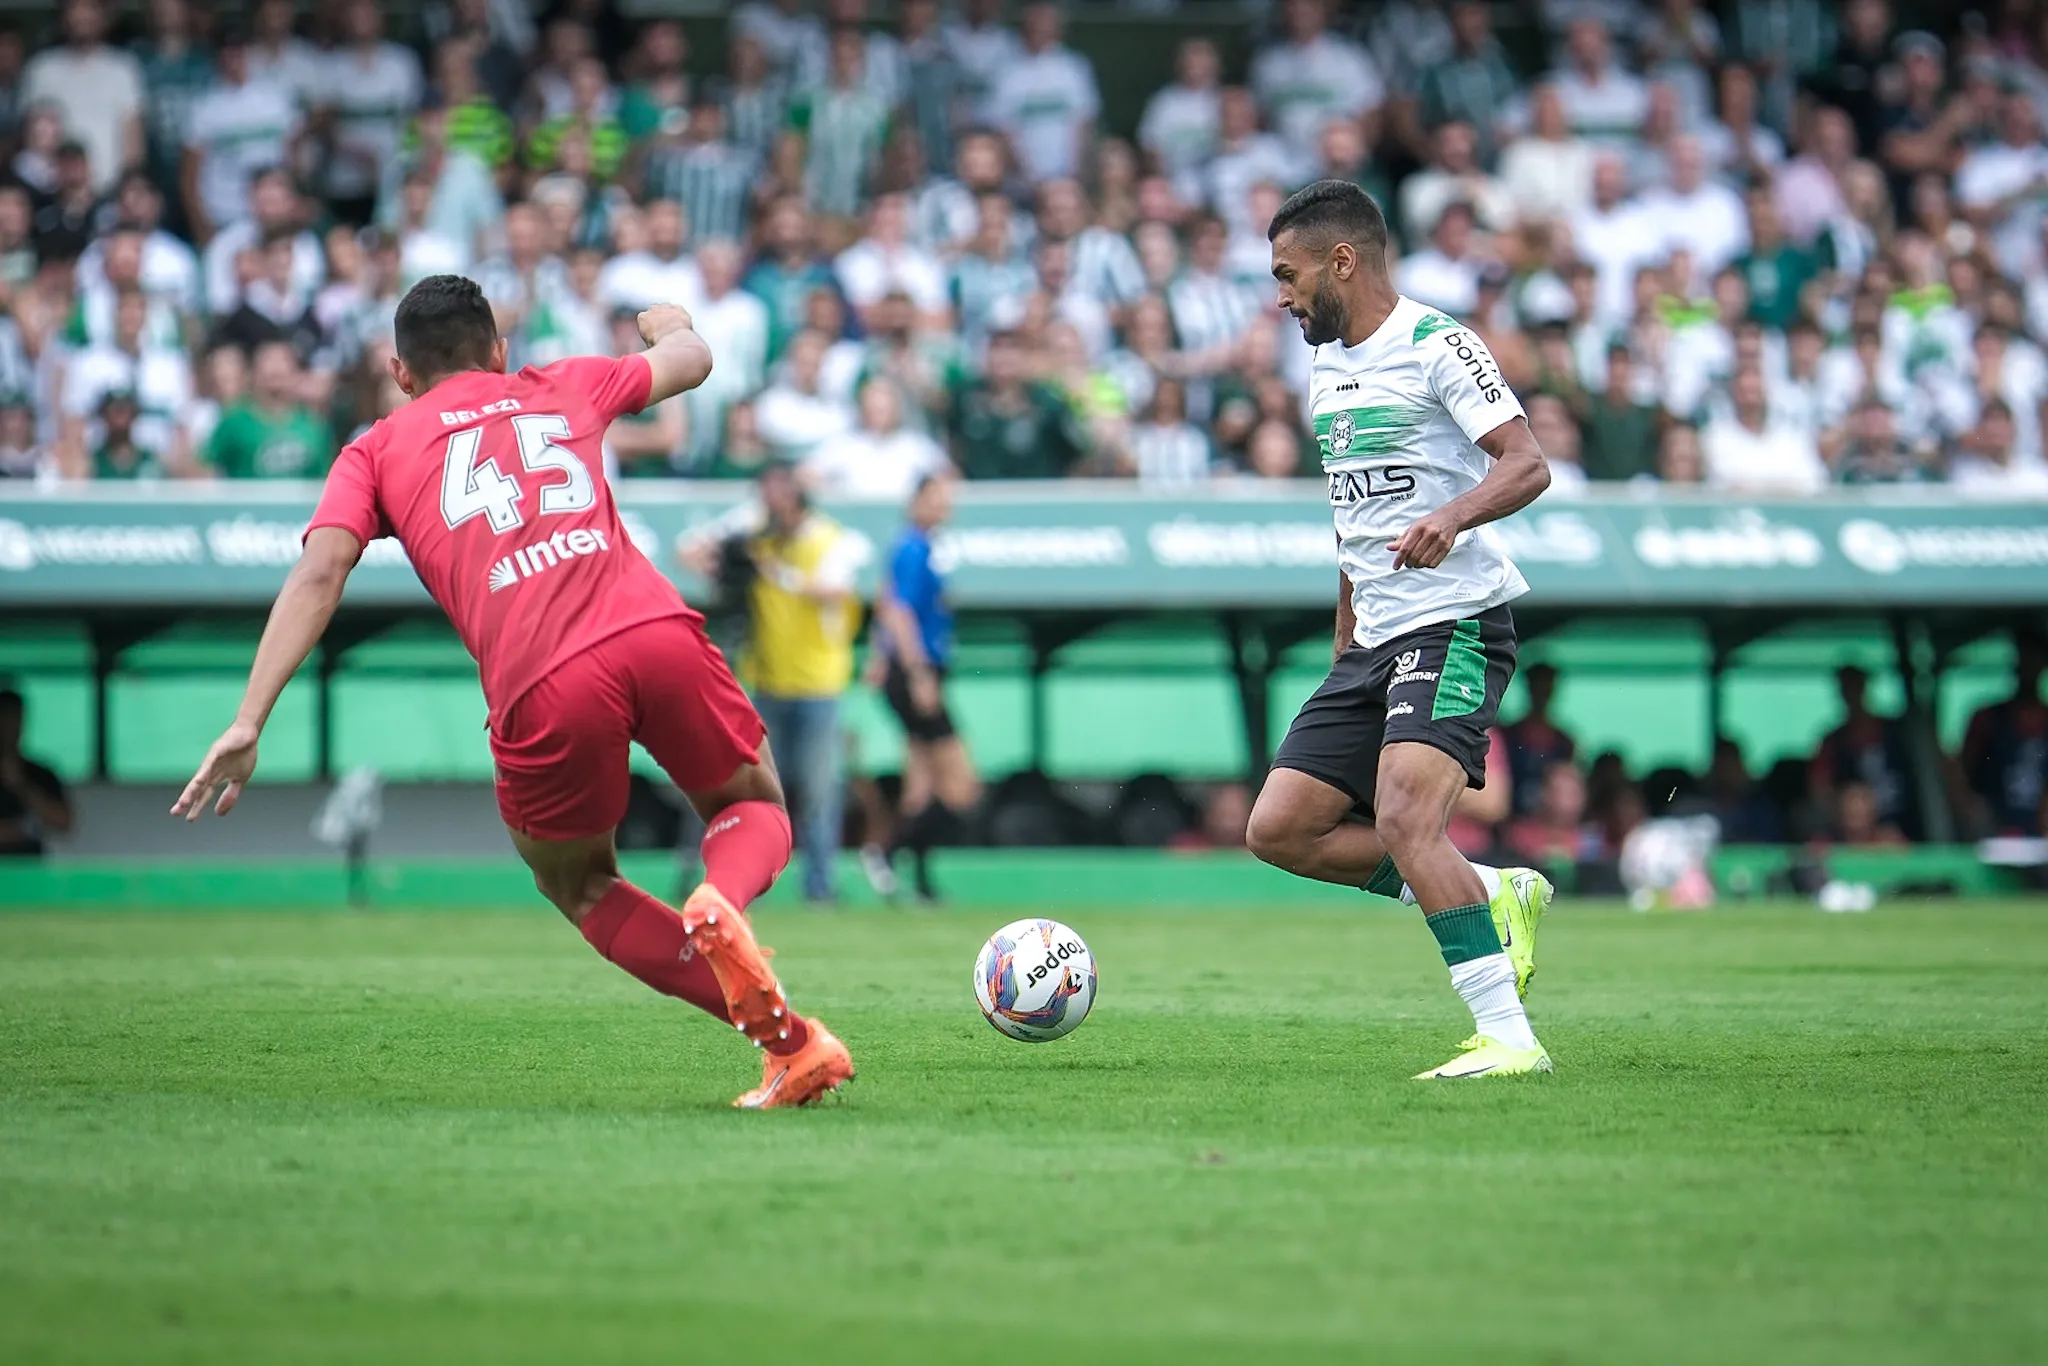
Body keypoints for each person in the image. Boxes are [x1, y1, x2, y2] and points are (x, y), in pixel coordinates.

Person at [172, 276, 854, 1110]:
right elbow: (692, 358)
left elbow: (321, 569)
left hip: (542, 679)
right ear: (499, 352)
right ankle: (724, 897)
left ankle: (790, 1040)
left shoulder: (377, 449)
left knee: (584, 885)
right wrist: (668, 319)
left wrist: (249, 719)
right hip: (652, 628)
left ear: (402, 372)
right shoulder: (559, 383)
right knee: (753, 802)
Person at [1246, 179, 1557, 1081]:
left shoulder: (1437, 344)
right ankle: (1490, 891)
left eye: (1289, 273)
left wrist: (1453, 518)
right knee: (1281, 830)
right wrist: (1345, 632)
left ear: (1343, 260)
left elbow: (1528, 462)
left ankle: (1508, 1038)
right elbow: (1353, 510)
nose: (1282, 295)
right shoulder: (1325, 365)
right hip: (1376, 637)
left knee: (1406, 819)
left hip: (1455, 623)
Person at [679, 462, 868, 903]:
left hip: (819, 682)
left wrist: (773, 570)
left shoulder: (827, 538)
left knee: (818, 790)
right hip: (768, 679)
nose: (770, 506)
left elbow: (835, 588)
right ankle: (748, 882)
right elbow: (689, 551)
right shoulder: (758, 533)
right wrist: (725, 557)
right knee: (761, 790)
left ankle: (819, 888)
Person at [867, 472, 979, 903]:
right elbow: (898, 609)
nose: (943, 506)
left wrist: (880, 655)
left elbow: (885, 598)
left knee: (921, 786)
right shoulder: (914, 547)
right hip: (917, 671)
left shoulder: (919, 547)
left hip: (911, 668)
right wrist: (917, 672)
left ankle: (921, 882)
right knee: (961, 786)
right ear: (916, 501)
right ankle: (887, 852)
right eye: (935, 497)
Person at [0, 685, 74, 857]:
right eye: (4, 718)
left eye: (15, 718)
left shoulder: (40, 773)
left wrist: (20, 785)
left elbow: (64, 822)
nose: (10, 727)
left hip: (29, 872)